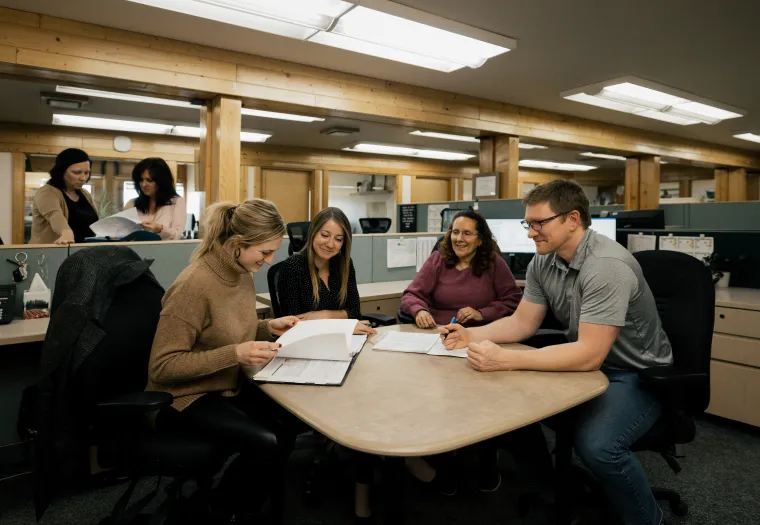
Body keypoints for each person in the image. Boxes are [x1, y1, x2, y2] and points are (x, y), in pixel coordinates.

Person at [441, 180, 673, 525]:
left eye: (539, 223)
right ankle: (551, 487)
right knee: (507, 406)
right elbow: (522, 323)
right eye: (528, 223)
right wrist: (470, 335)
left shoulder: (606, 266)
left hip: (637, 374)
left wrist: (506, 359)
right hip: (588, 365)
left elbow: (589, 355)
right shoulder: (543, 261)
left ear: (572, 219)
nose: (531, 233)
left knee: (598, 447)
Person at [147, 198, 300, 524]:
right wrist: (235, 354)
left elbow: (226, 330)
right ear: (236, 244)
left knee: (288, 422)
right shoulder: (194, 285)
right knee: (265, 441)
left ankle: (237, 504)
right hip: (184, 398)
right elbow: (162, 366)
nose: (270, 260)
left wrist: (267, 326)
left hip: (227, 383)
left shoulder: (241, 271)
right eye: (265, 252)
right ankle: (220, 511)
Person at [400, 209, 522, 329]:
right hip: (439, 331)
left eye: (467, 233)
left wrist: (481, 313)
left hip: (479, 333)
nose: (459, 239)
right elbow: (411, 294)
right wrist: (419, 311)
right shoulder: (437, 260)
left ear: (480, 240)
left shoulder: (494, 263)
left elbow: (513, 300)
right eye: (455, 232)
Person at [276, 207, 376, 336]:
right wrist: (342, 322)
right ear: (313, 233)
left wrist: (322, 315)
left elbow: (354, 312)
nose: (330, 244)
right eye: (325, 235)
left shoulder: (344, 264)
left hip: (345, 341)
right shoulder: (293, 267)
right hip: (308, 345)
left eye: (338, 239)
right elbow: (294, 324)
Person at [31, 148, 98, 244]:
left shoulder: (85, 193)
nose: (83, 178)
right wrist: (66, 232)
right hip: (52, 254)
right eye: (76, 172)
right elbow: (54, 215)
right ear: (62, 172)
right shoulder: (47, 192)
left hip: (83, 253)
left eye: (86, 173)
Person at [124, 157, 186, 240]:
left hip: (163, 252)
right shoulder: (131, 204)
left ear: (161, 181)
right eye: (141, 180)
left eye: (149, 180)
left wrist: (160, 229)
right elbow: (123, 233)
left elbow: (176, 236)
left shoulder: (177, 202)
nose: (143, 185)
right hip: (134, 252)